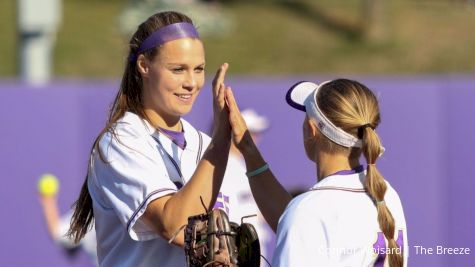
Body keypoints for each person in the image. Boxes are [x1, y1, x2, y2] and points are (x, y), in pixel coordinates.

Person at [67, 11, 234, 266]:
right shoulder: (121, 142)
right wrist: (221, 139)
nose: (191, 82)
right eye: (178, 69)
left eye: (198, 69)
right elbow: (175, 226)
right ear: (144, 66)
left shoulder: (203, 143)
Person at [225, 79, 408, 266]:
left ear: (311, 130)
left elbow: (306, 220)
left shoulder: (308, 211)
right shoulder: (385, 195)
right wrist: (248, 149)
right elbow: (306, 224)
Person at [219, 108, 273, 265]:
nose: (256, 138)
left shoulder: (242, 164)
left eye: (256, 133)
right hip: (239, 254)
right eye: (251, 133)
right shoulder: (224, 166)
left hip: (254, 250)